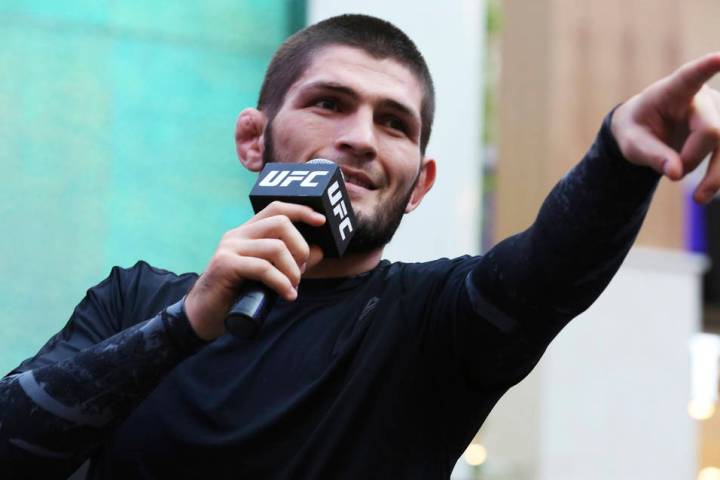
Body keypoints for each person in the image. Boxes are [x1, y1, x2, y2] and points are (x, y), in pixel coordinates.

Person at [2, 13, 720, 479]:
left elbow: (547, 269)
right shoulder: (135, 300)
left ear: (420, 184)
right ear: (255, 138)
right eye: (329, 103)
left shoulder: (433, 324)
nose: (360, 138)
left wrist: (620, 158)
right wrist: (187, 324)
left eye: (395, 124)